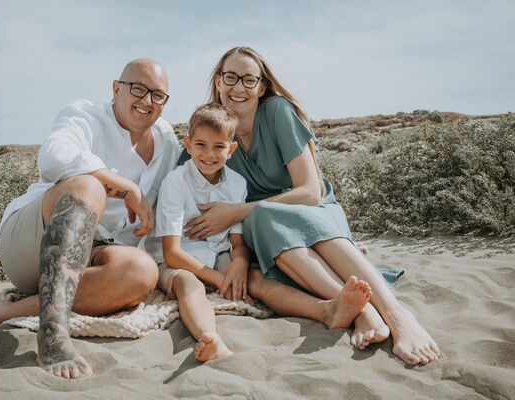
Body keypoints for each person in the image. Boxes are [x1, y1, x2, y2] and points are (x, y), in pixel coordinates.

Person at [180, 47, 440, 365]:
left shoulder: (276, 111)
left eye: (249, 80)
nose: (238, 88)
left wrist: (235, 212)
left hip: (314, 214)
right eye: (230, 77)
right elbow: (182, 179)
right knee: (261, 224)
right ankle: (360, 307)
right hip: (266, 231)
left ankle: (399, 317)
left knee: (262, 215)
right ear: (218, 82)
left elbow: (309, 192)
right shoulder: (212, 134)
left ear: (261, 86)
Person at [0, 59, 180, 379]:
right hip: (32, 238)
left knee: (141, 269)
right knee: (89, 185)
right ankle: (53, 335)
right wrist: (125, 188)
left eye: (158, 94)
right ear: (116, 89)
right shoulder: (84, 115)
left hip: (94, 252)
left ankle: (12, 311)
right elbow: (54, 158)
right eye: (138, 88)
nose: (147, 101)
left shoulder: (167, 142)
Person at [151, 102, 373, 362]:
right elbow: (172, 252)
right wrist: (220, 280)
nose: (209, 154)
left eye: (219, 146)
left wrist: (240, 264)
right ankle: (209, 337)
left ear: (231, 149)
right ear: (188, 145)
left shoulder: (236, 183)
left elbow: (236, 240)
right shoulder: (175, 182)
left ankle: (326, 310)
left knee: (254, 279)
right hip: (180, 259)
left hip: (220, 253)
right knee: (187, 283)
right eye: (200, 145)